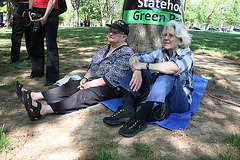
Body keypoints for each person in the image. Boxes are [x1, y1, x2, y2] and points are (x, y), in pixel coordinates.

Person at [15, 20, 134, 121]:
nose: (111, 33)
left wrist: (89, 85)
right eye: (110, 30)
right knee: (72, 85)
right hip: (92, 80)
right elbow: (93, 66)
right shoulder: (106, 47)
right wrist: (86, 79)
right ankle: (34, 95)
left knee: (84, 95)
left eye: (115, 32)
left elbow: (111, 79)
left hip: (110, 87)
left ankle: (43, 110)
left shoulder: (126, 53)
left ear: (124, 37)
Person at [103, 20, 195, 137]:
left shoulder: (188, 54)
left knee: (167, 74)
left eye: (171, 36)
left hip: (178, 101)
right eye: (165, 35)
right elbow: (134, 57)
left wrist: (144, 66)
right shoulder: (160, 52)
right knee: (138, 67)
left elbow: (174, 68)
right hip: (160, 95)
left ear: (180, 40)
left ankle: (140, 117)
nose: (166, 38)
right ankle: (127, 108)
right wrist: (137, 69)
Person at [27, 0, 60, 86]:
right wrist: (30, 11)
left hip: (51, 12)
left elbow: (52, 1)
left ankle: (52, 77)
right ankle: (36, 72)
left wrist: (45, 17)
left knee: (51, 45)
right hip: (36, 10)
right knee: (35, 43)